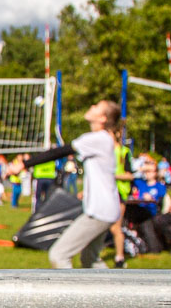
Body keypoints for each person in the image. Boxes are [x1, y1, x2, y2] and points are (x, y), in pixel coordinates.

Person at [24, 100, 121, 269]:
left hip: (99, 211)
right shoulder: (102, 139)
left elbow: (60, 151)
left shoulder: (98, 138)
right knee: (91, 260)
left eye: (96, 106)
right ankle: (116, 293)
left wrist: (24, 164)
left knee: (59, 255)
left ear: (103, 118)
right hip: (105, 208)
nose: (91, 106)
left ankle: (70, 295)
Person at [110, 136, 135, 268]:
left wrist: (113, 176)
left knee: (115, 227)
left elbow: (130, 175)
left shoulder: (124, 152)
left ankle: (119, 258)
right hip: (105, 192)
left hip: (119, 192)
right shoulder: (103, 150)